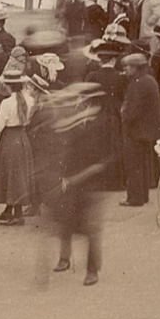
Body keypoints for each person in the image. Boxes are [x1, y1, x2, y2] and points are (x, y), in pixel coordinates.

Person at [46, 84, 108, 286]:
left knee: (91, 228)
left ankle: (92, 270)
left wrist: (84, 174)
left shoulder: (102, 123)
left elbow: (105, 158)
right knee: (65, 221)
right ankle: (64, 258)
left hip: (92, 183)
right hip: (71, 179)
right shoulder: (73, 121)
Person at [0, 55, 36, 225]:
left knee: (11, 175)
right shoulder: (29, 100)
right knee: (18, 175)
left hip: (9, 139)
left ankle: (17, 215)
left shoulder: (7, 103)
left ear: (8, 86)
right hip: (22, 138)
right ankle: (9, 209)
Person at [120, 52, 160, 207]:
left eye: (128, 66)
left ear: (135, 67)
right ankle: (143, 195)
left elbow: (132, 110)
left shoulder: (137, 83)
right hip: (147, 130)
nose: (125, 69)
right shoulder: (149, 80)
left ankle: (134, 198)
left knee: (133, 164)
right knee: (143, 163)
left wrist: (124, 116)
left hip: (135, 130)